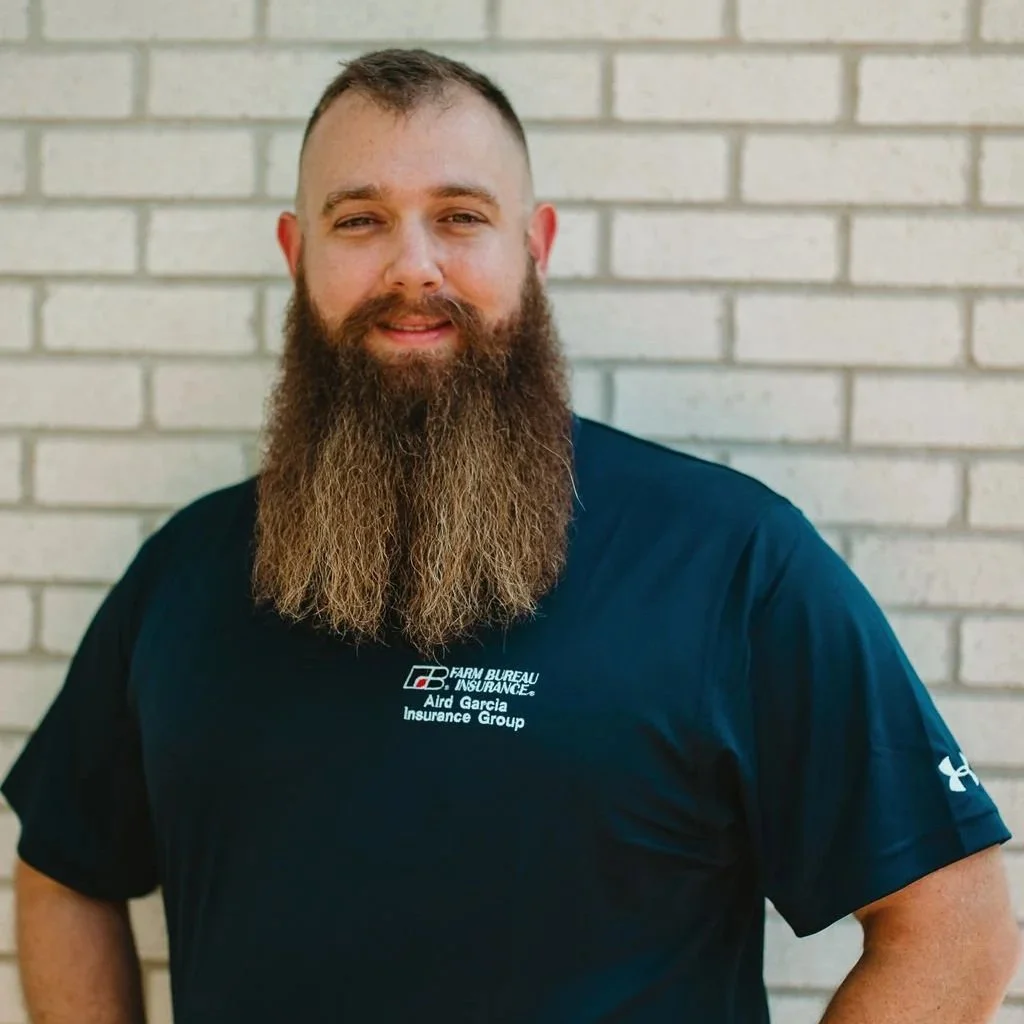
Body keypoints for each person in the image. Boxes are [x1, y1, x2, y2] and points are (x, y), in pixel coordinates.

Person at [3, 48, 1019, 1024]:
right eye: (359, 220)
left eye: (460, 217)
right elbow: (61, 873)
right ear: (295, 250)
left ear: (533, 245)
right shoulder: (186, 573)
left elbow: (952, 924)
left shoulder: (728, 562)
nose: (414, 266)